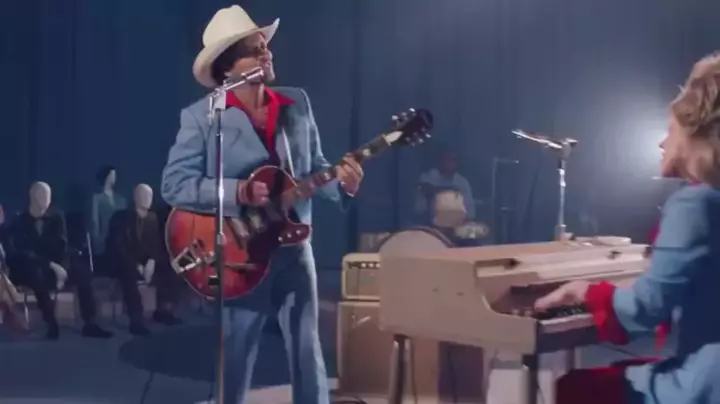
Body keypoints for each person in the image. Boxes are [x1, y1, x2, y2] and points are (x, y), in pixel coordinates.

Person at [161, 5, 363, 404]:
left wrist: (344, 184)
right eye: (254, 50)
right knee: (236, 355)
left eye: (264, 46)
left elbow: (316, 167)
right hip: (240, 253)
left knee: (307, 350)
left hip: (294, 247)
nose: (266, 54)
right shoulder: (201, 118)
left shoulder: (296, 103)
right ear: (227, 68)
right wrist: (238, 191)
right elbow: (174, 185)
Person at [534, 53, 720, 404]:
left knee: (576, 387)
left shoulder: (695, 204)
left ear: (696, 133)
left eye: (670, 131)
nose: (661, 143)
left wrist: (585, 293)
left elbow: (646, 308)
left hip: (705, 384)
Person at [414, 147, 475, 227]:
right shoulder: (427, 178)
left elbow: (470, 212)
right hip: (431, 228)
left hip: (456, 227)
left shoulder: (462, 182)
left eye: (453, 160)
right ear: (440, 161)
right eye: (446, 159)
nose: (449, 164)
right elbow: (418, 209)